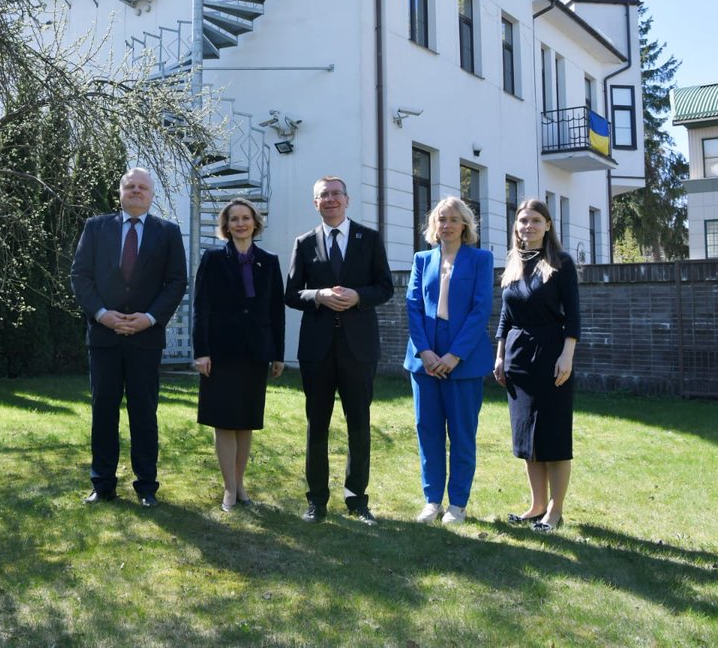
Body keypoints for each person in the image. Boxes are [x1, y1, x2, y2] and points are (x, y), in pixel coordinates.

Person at [71, 168, 187, 507]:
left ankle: (147, 486)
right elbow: (81, 275)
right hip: (103, 337)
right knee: (103, 411)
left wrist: (149, 318)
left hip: (145, 339)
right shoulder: (96, 227)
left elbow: (176, 282)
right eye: (130, 186)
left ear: (152, 195)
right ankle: (102, 484)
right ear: (120, 192)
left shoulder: (168, 232)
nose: (136, 191)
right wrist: (101, 314)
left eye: (143, 187)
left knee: (144, 412)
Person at [286, 176, 394, 525]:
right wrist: (318, 295)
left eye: (336, 194)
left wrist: (359, 296)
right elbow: (291, 294)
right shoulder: (303, 243)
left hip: (358, 348)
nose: (330, 200)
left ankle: (357, 499)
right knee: (316, 425)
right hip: (317, 350)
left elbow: (385, 287)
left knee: (359, 425)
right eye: (323, 196)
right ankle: (316, 499)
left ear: (347, 200)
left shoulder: (369, 238)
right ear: (315, 203)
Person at [403, 197, 494, 526]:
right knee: (427, 431)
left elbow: (481, 309)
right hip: (423, 361)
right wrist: (425, 351)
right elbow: (413, 306)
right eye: (441, 219)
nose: (447, 225)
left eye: (454, 219)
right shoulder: (421, 259)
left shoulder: (481, 259)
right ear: (433, 225)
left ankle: (457, 504)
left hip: (464, 361)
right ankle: (432, 500)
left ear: (465, 225)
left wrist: (454, 355)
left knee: (462, 434)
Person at [493, 199, 580, 533]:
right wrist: (500, 354)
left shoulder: (561, 263)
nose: (527, 226)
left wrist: (567, 354)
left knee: (553, 436)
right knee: (528, 437)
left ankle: (555, 513)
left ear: (547, 226)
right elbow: (505, 315)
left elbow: (573, 313)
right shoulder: (514, 263)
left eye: (534, 220)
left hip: (551, 353)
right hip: (517, 358)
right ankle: (536, 506)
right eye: (522, 221)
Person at [193, 199, 285, 512]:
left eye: (246, 218)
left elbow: (276, 310)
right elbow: (201, 306)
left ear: (255, 223)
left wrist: (278, 354)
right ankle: (229, 489)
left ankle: (240, 482)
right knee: (224, 421)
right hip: (221, 352)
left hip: (256, 351)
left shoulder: (269, 261)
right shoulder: (213, 258)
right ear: (226, 225)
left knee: (246, 421)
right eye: (234, 219)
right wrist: (201, 351)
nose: (241, 224)